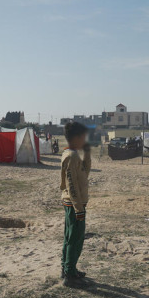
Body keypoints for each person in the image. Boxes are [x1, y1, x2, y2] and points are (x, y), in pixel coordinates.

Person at [60, 122, 91, 288]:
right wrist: (79, 209)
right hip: (74, 204)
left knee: (69, 237)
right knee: (75, 239)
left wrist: (87, 153)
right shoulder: (71, 156)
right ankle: (69, 275)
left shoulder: (72, 154)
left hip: (73, 203)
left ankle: (67, 268)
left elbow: (85, 172)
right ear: (77, 138)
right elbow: (71, 184)